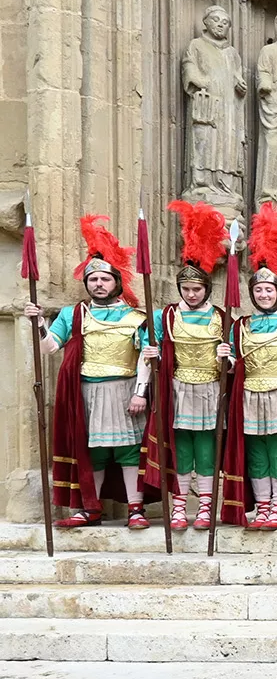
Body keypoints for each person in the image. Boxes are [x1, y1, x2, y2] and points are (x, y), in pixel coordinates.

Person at [25, 216, 155, 529]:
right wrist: (40, 323)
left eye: (105, 280)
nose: (98, 284)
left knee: (127, 450)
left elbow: (146, 357)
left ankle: (135, 509)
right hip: (87, 390)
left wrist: (140, 392)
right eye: (93, 280)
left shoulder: (137, 317)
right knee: (93, 450)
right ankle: (90, 508)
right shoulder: (73, 313)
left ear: (117, 283)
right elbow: (50, 348)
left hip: (125, 389)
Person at [218, 202, 277, 531]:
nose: (263, 294)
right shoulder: (240, 324)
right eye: (258, 289)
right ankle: (261, 505)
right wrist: (224, 359)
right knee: (255, 451)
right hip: (249, 395)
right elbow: (232, 365)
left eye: (269, 289)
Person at [145, 200, 232, 531]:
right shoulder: (166, 315)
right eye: (186, 288)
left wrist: (229, 358)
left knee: (206, 451)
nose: (192, 293)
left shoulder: (221, 318)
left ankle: (207, 507)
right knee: (181, 451)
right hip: (179, 386)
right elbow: (148, 349)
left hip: (210, 387)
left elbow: (236, 359)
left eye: (197, 289)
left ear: (206, 289)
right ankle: (180, 506)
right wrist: (152, 359)